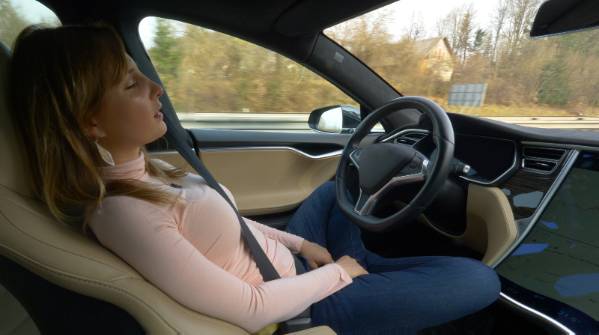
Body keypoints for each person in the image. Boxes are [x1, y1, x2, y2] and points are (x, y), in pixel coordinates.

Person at [8, 22, 501, 335]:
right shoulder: (121, 212)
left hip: (291, 266)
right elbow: (251, 309)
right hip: (301, 307)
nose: (157, 87)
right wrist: (338, 273)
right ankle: (369, 271)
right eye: (131, 84)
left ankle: (371, 264)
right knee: (478, 279)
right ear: (89, 121)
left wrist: (307, 248)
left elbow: (232, 224)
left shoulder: (143, 171)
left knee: (335, 189)